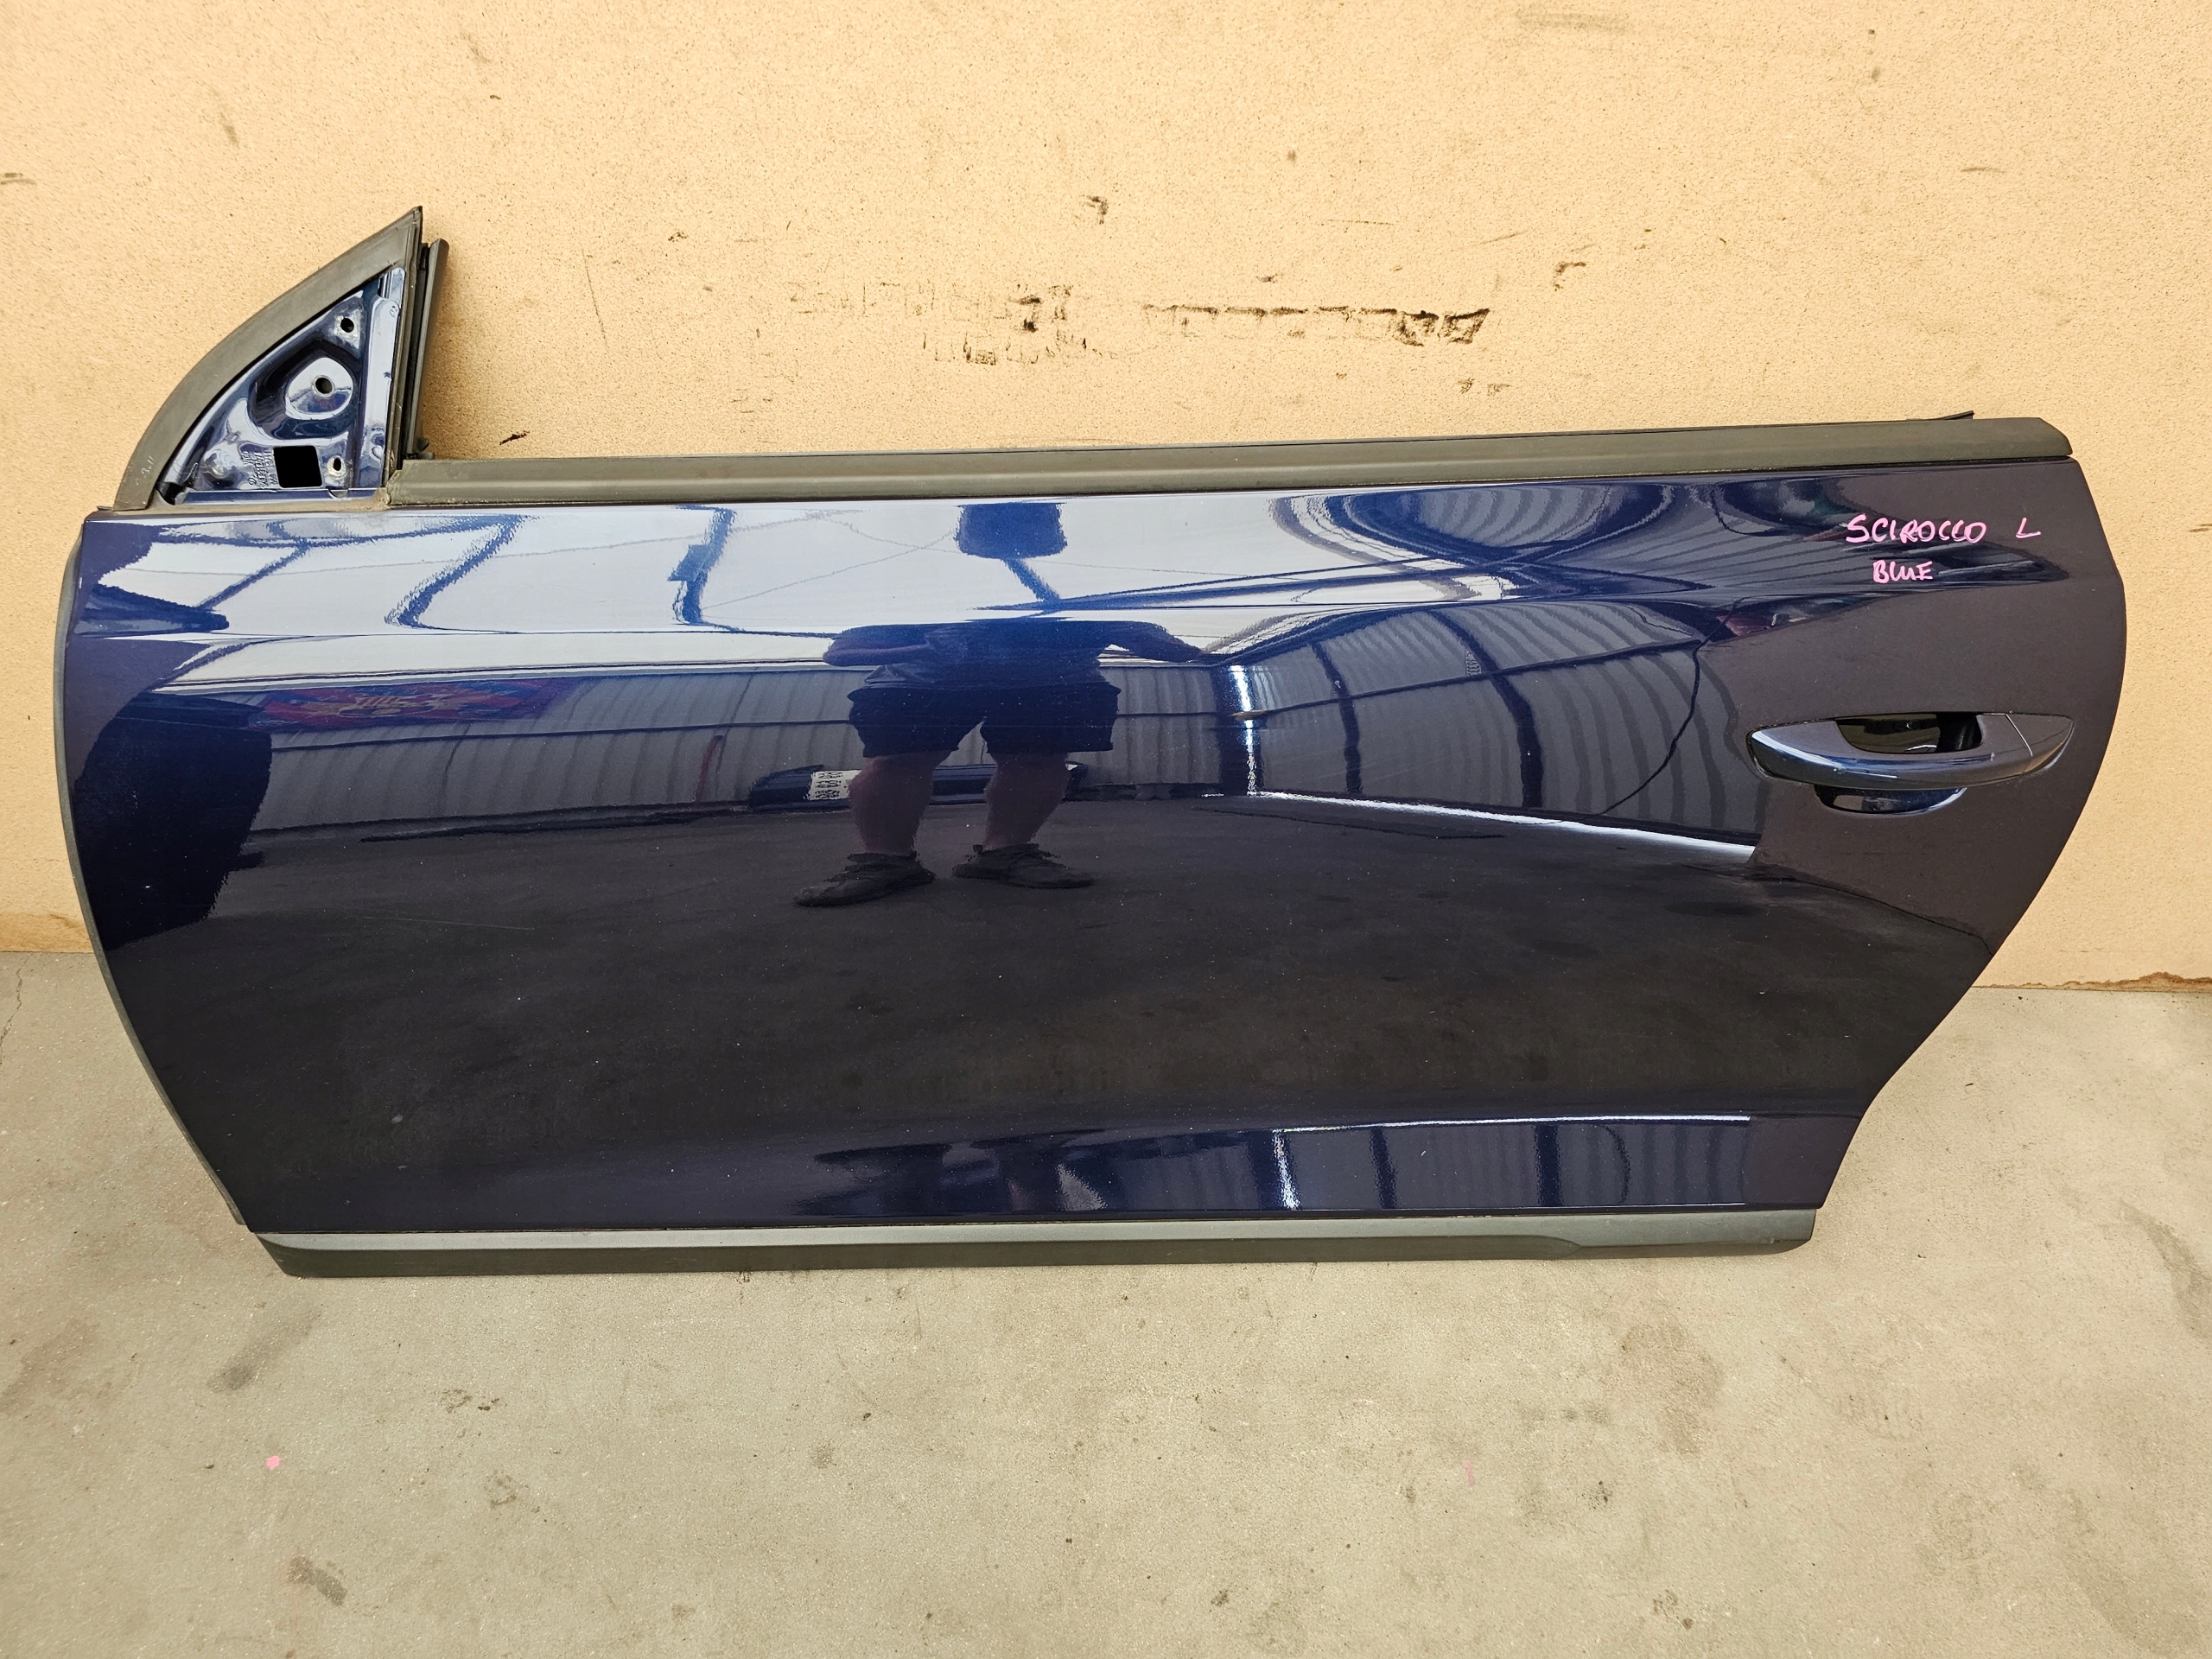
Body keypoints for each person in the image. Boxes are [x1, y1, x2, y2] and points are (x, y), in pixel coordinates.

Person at [795, 500, 1208, 907]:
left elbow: (1170, 647)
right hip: (924, 683)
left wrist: (1155, 639)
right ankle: (885, 861)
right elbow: (840, 652)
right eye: (999, 519)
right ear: (965, 527)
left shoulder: (1093, 582)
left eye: (1036, 519)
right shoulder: (924, 578)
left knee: (1037, 763)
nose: (1017, 529)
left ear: (1058, 529)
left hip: (1049, 684)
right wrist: (924, 648)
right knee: (897, 763)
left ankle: (1004, 854)